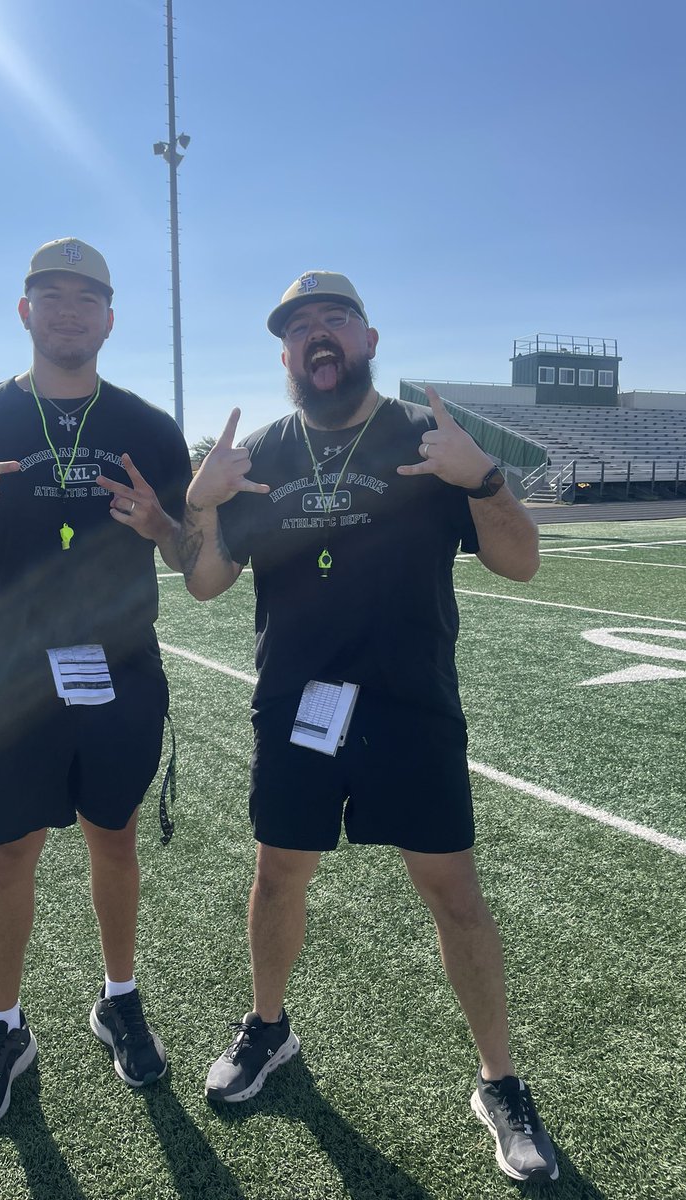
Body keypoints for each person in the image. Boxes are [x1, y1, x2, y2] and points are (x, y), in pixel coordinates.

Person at [179, 270, 558, 1184]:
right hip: (294, 706)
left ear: (369, 337)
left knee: (453, 894)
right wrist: (201, 502)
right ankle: (270, 1030)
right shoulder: (259, 456)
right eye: (300, 326)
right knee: (278, 877)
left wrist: (487, 479)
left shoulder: (425, 441)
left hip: (409, 704)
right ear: (283, 354)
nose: (318, 337)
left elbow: (521, 562)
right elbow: (203, 584)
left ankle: (500, 1082)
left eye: (334, 320)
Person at [0, 237, 192, 1131]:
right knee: (7, 854)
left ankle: (119, 997)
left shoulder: (146, 427)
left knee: (114, 837)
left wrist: (162, 525)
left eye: (86, 297)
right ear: (25, 311)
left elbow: (195, 555)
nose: (68, 310)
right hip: (12, 679)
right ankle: (4, 1027)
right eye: (50, 295)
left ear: (109, 316)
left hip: (120, 674)